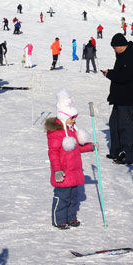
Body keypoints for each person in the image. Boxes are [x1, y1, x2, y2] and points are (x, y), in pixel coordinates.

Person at [46, 89, 94, 229]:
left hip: (74, 171)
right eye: (72, 117)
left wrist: (91, 147)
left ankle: (71, 218)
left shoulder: (72, 130)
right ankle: (59, 220)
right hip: (63, 172)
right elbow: (53, 153)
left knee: (73, 199)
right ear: (63, 116)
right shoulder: (56, 133)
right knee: (63, 198)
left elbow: (78, 147)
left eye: (75, 118)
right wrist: (57, 170)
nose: (74, 120)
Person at [101, 33, 133, 165]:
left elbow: (124, 76)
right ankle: (116, 151)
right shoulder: (122, 55)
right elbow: (121, 73)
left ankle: (127, 154)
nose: (114, 50)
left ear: (121, 45)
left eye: (115, 47)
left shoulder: (130, 56)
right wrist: (111, 72)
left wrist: (110, 74)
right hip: (119, 97)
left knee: (125, 126)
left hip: (127, 97)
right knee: (114, 124)